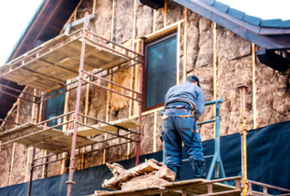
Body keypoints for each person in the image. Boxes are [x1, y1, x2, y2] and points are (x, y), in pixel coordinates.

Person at [162, 75, 206, 181]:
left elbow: (165, 106)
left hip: (167, 116)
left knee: (171, 148)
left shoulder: (171, 89)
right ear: (196, 83)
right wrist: (193, 118)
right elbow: (200, 109)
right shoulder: (196, 88)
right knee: (193, 144)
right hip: (184, 114)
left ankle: (173, 178)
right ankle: (199, 177)